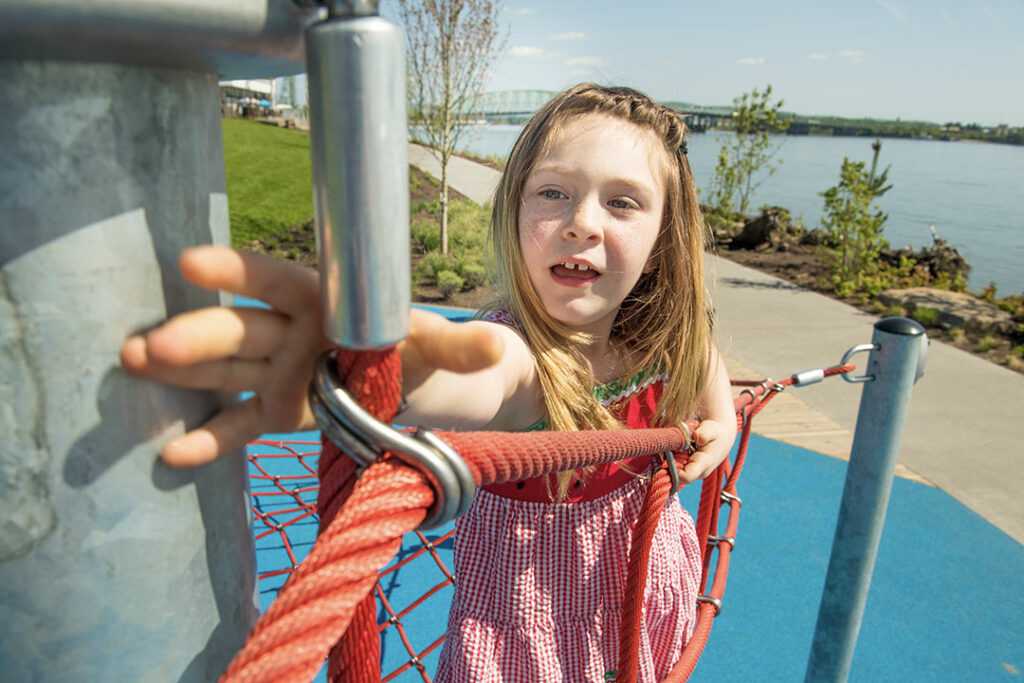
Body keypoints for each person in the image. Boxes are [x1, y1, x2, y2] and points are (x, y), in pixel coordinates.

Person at [121, 83, 735, 682]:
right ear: (514, 212)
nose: (582, 223)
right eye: (553, 192)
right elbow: (487, 375)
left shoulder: (663, 339)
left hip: (642, 589)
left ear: (661, 240)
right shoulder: (515, 351)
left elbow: (699, 346)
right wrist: (380, 372)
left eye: (622, 202)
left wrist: (724, 417)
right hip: (529, 633)